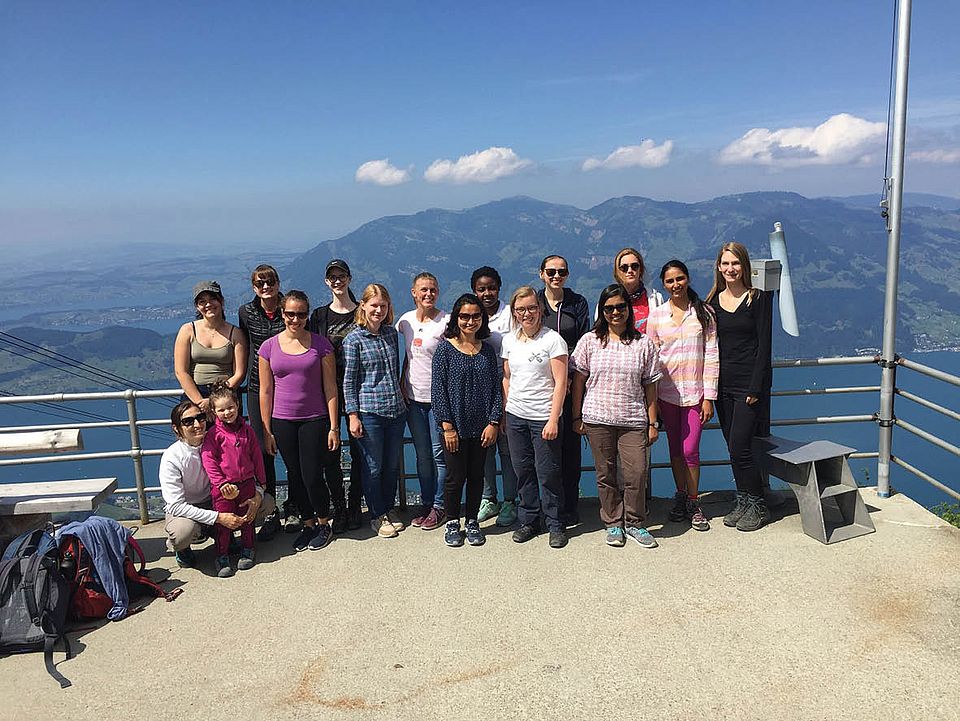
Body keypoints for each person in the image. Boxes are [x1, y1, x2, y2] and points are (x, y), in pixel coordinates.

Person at [572, 284, 662, 548]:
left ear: (628, 309)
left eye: (620, 307)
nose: (615, 312)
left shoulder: (643, 342)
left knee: (636, 473)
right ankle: (613, 522)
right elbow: (578, 380)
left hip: (633, 420)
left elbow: (650, 385)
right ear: (602, 310)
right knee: (606, 474)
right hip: (598, 417)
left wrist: (652, 422)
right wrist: (577, 417)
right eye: (609, 308)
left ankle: (634, 522)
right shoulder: (590, 341)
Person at [258, 290, 340, 551]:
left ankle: (324, 522)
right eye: (290, 314)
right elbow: (265, 390)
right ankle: (308, 523)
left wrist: (334, 426)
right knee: (295, 475)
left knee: (312, 475)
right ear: (282, 314)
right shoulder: (268, 347)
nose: (295, 319)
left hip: (314, 419)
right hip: (282, 420)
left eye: (301, 314)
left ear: (307, 315)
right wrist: (267, 430)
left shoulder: (321, 344)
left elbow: (331, 388)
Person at [706, 242, 773, 532]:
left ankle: (758, 503)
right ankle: (743, 499)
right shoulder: (713, 301)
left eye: (735, 264)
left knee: (740, 446)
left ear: (744, 266)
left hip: (748, 385)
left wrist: (755, 389)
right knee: (732, 447)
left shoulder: (757, 299)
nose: (730, 269)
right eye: (725, 264)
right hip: (722, 385)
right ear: (718, 268)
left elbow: (764, 346)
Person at [647, 260, 719, 532]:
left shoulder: (704, 314)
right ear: (664, 285)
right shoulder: (657, 317)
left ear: (687, 279)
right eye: (669, 281)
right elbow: (652, 358)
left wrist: (709, 396)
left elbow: (712, 356)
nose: (675, 285)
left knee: (690, 450)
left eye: (679, 279)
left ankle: (693, 500)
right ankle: (680, 494)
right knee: (675, 450)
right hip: (666, 394)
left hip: (694, 394)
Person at [160, 400, 274, 569]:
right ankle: (183, 548)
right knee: (182, 532)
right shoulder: (172, 457)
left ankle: (226, 539)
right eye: (188, 421)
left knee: (267, 503)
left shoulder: (218, 439)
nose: (197, 424)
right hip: (189, 509)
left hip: (219, 499)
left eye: (200, 418)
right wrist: (219, 518)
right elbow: (176, 506)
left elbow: (247, 468)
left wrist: (257, 494)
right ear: (176, 428)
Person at [432, 293, 504, 548]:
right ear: (456, 318)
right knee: (454, 477)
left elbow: (496, 389)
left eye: (475, 316)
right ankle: (453, 522)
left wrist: (493, 422)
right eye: (464, 316)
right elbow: (438, 390)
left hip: (482, 427)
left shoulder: (487, 350)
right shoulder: (445, 349)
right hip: (455, 427)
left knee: (476, 477)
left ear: (482, 318)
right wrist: (447, 426)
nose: (470, 321)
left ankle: (472, 521)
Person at [502, 286, 569, 549]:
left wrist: (554, 419)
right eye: (521, 309)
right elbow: (507, 378)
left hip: (544, 416)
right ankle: (529, 520)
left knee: (548, 473)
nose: (526, 314)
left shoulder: (553, 340)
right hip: (516, 415)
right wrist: (507, 411)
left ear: (540, 309)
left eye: (531, 308)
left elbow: (561, 382)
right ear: (514, 312)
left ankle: (555, 523)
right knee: (523, 471)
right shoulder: (509, 340)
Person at [343, 284, 408, 539]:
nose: (379, 310)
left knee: (391, 466)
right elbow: (349, 380)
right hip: (370, 412)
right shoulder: (353, 340)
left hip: (395, 410)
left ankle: (388, 509)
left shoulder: (391, 334)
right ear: (363, 306)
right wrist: (352, 415)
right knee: (373, 467)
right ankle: (376, 515)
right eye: (374, 306)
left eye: (383, 305)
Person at [238, 264, 292, 540]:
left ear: (278, 283)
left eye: (270, 281)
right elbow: (243, 347)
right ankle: (271, 511)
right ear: (253, 287)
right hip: (258, 388)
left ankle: (294, 506)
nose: (265, 287)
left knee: (292, 450)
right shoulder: (246, 313)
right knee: (262, 451)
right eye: (260, 283)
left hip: (288, 387)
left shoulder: (289, 308)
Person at [309, 259, 364, 532]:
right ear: (326, 282)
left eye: (342, 275)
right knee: (330, 453)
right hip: (326, 391)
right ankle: (339, 507)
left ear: (349, 278)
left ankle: (355, 505)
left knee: (359, 451)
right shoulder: (319, 317)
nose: (337, 281)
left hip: (360, 390)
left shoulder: (362, 313)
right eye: (332, 277)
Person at [537, 255, 589, 527]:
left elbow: (583, 342)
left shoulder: (577, 303)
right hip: (539, 386)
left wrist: (571, 377)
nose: (556, 276)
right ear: (541, 274)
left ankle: (569, 505)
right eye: (551, 272)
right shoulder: (534, 302)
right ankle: (546, 506)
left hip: (569, 386)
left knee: (569, 449)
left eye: (562, 272)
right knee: (544, 450)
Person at [396, 272, 449, 530]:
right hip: (413, 401)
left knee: (440, 455)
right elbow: (410, 356)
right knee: (422, 456)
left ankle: (440, 506)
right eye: (423, 290)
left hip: (438, 400)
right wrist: (402, 382)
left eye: (433, 289)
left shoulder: (446, 322)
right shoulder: (404, 321)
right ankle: (427, 503)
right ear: (413, 293)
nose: (428, 294)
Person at [200, 381, 265, 577]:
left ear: (238, 405)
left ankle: (248, 548)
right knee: (224, 523)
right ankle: (222, 555)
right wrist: (221, 484)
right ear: (213, 412)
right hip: (224, 488)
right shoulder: (213, 435)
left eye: (230, 407)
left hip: (246, 483)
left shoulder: (248, 431)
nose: (227, 413)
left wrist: (261, 482)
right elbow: (208, 459)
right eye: (221, 410)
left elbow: (257, 456)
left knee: (247, 519)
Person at [470, 265, 518, 528]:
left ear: (499, 288)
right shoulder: (471, 316)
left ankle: (511, 500)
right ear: (474, 291)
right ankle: (489, 498)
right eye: (481, 289)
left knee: (507, 449)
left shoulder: (509, 315)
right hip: (479, 392)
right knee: (484, 449)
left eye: (491, 288)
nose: (487, 293)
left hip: (508, 388)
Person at [174, 280, 248, 413]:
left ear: (221, 302)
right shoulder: (187, 331)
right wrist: (200, 402)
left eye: (213, 299)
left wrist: (216, 399)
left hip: (226, 395)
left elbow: (240, 373)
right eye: (202, 301)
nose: (208, 304)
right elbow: (181, 372)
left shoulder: (236, 334)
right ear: (197, 306)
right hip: (194, 394)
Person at [609, 247, 664, 334]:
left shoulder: (655, 298)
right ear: (617, 272)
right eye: (624, 268)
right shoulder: (608, 301)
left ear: (640, 270)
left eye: (635, 266)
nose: (630, 271)